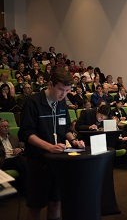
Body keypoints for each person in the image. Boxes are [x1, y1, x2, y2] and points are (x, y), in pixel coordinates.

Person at [18, 67, 85, 220]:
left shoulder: (61, 103)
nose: (64, 94)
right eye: (61, 89)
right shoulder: (33, 102)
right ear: (50, 84)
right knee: (35, 206)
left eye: (67, 91)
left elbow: (65, 129)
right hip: (38, 162)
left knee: (56, 203)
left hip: (58, 162)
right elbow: (26, 133)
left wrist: (73, 140)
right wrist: (49, 147)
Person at [0, 118, 26, 193]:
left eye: (8, 126)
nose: (6, 128)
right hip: (4, 161)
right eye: (3, 126)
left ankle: (23, 189)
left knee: (22, 163)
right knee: (21, 161)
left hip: (16, 159)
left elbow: (23, 147)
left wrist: (20, 149)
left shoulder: (14, 137)